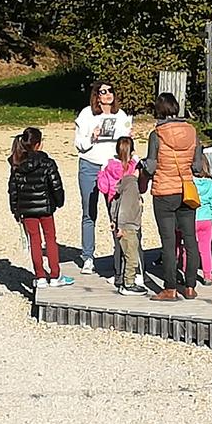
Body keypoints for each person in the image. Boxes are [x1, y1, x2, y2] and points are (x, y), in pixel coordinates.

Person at [142, 93, 203, 301]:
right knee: (190, 240)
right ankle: (190, 286)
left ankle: (170, 288)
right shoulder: (192, 131)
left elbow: (151, 166)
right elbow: (197, 166)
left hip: (164, 191)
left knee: (168, 242)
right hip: (186, 190)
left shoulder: (157, 134)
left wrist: (143, 167)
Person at [74, 80, 132, 275]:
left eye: (110, 91)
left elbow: (124, 145)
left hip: (112, 167)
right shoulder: (86, 114)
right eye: (103, 92)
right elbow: (79, 144)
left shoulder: (120, 115)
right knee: (89, 212)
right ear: (96, 96)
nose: (108, 95)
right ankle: (88, 257)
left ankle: (119, 255)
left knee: (115, 213)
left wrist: (129, 140)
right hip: (90, 165)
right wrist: (92, 137)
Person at [8, 127, 74, 289]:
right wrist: (59, 201)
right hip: (45, 207)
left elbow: (13, 189)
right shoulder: (47, 162)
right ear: (38, 144)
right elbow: (56, 185)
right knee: (50, 239)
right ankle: (55, 275)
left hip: (26, 210)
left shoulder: (17, 163)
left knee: (35, 241)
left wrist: (15, 209)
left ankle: (40, 276)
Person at [97, 136, 144, 290]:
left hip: (115, 204)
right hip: (131, 204)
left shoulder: (110, 165)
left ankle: (119, 274)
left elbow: (103, 187)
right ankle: (136, 272)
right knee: (135, 237)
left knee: (118, 240)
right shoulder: (134, 166)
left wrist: (101, 173)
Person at [177, 159, 212, 285]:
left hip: (190, 219)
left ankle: (187, 274)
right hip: (206, 220)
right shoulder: (211, 184)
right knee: (205, 249)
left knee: (188, 249)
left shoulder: (187, 184)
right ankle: (208, 276)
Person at [109, 170, 147, 296]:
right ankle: (129, 284)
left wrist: (114, 220)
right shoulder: (132, 186)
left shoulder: (125, 185)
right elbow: (124, 208)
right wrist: (120, 226)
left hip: (125, 225)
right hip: (128, 226)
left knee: (128, 255)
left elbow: (115, 204)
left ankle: (126, 281)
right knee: (132, 256)